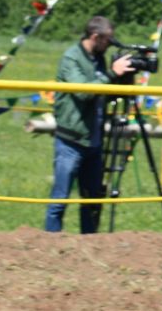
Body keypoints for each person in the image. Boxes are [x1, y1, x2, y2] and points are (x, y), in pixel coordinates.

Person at [48, 16, 134, 234]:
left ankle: (90, 244)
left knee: (92, 200)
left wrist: (120, 80)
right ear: (95, 37)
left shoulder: (99, 59)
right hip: (71, 141)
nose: (109, 45)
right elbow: (84, 91)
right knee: (60, 199)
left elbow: (102, 91)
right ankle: (49, 243)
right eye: (107, 40)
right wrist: (113, 73)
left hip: (94, 142)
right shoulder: (71, 58)